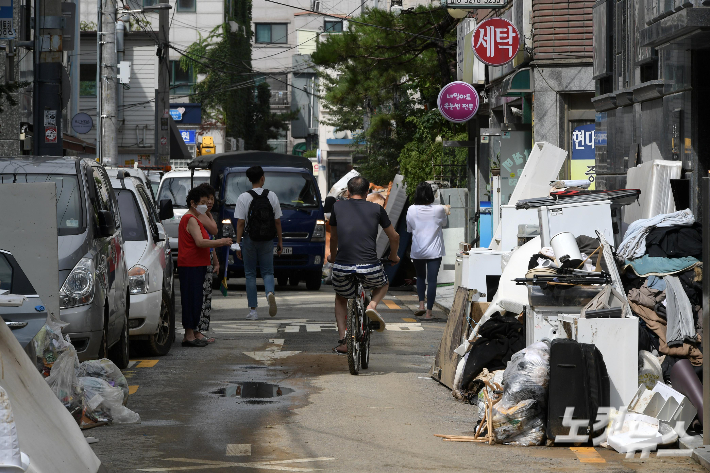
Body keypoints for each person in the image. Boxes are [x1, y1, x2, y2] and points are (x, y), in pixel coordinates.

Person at [327, 176, 400, 354]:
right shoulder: (377, 209)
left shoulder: (337, 206)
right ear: (367, 192)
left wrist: (333, 256)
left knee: (340, 297)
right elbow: (395, 237)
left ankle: (344, 341)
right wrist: (393, 256)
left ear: (348, 192)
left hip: (343, 266)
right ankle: (372, 306)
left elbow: (334, 237)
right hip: (370, 267)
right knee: (383, 284)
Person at [178, 186, 232, 347]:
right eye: (202, 202)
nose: (205, 205)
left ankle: (194, 332)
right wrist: (221, 242)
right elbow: (201, 242)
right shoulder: (190, 219)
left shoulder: (196, 218)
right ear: (193, 203)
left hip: (198, 264)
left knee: (196, 300)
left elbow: (210, 232)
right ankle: (188, 335)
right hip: (190, 265)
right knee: (190, 299)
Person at [234, 166, 283, 320]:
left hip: (250, 239)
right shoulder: (272, 196)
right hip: (267, 239)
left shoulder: (243, 197)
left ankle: (253, 311)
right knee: (268, 271)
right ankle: (269, 293)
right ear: (263, 178)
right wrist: (280, 241)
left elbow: (241, 223)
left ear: (249, 179)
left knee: (250, 274)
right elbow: (277, 221)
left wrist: (237, 243)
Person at [406, 182, 448, 320]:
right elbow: (444, 224)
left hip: (418, 250)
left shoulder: (411, 209)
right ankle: (429, 313)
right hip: (434, 251)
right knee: (432, 280)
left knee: (420, 277)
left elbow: (409, 229)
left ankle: (421, 305)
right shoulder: (438, 210)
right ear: (431, 194)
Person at [195, 183, 219, 343]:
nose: (210, 202)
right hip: (200, 261)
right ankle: (198, 332)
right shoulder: (200, 216)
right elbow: (215, 231)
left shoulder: (208, 215)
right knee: (201, 298)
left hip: (208, 260)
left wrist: (216, 262)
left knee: (206, 298)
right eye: (206, 200)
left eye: (211, 199)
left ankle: (202, 331)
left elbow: (212, 243)